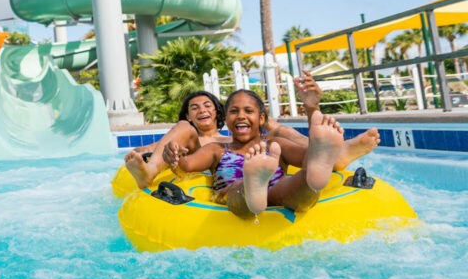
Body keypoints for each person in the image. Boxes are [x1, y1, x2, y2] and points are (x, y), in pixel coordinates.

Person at [123, 73, 380, 189]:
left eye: (207, 105)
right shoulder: (192, 136)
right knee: (274, 138)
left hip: (269, 158)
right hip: (227, 174)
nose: (201, 110)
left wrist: (311, 109)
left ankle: (334, 153)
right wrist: (162, 154)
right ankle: (148, 175)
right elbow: (164, 154)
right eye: (194, 107)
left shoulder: (237, 137)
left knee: (278, 134)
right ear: (188, 114)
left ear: (217, 112)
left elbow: (270, 133)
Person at [164, 89, 347, 218]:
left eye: (248, 111)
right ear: (226, 120)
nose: (241, 116)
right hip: (235, 193)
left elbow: (306, 158)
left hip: (275, 191)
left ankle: (312, 178)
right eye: (234, 111)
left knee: (294, 183)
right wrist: (172, 155)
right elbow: (186, 165)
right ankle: (252, 183)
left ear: (261, 119)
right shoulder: (217, 150)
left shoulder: (275, 145)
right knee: (237, 189)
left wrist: (315, 153)